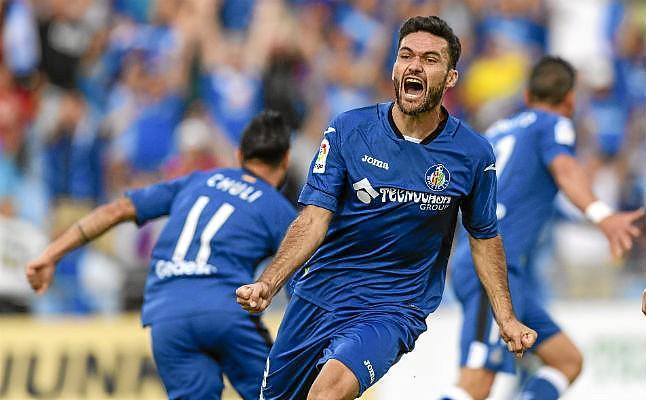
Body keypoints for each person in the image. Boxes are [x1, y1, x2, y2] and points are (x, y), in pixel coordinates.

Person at [236, 16, 537, 400]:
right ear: (394, 67)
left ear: (450, 79)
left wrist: (506, 318)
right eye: (406, 55)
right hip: (318, 297)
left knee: (326, 393)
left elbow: (483, 237)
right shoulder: (348, 130)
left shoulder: (472, 154)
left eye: (430, 59)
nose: (415, 65)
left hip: (392, 308)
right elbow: (313, 219)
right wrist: (268, 282)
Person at [25, 111, 296, 400]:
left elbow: (116, 210)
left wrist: (51, 254)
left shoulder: (196, 181)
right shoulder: (280, 210)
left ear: (239, 153)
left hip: (167, 313)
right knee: (283, 395)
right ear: (286, 160)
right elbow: (302, 276)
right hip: (225, 310)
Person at [445, 57, 644, 400]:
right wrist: (602, 215)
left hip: (488, 266)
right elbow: (565, 169)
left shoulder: (498, 131)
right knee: (476, 384)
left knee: (567, 361)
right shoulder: (554, 124)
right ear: (570, 100)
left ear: (526, 94)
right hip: (494, 270)